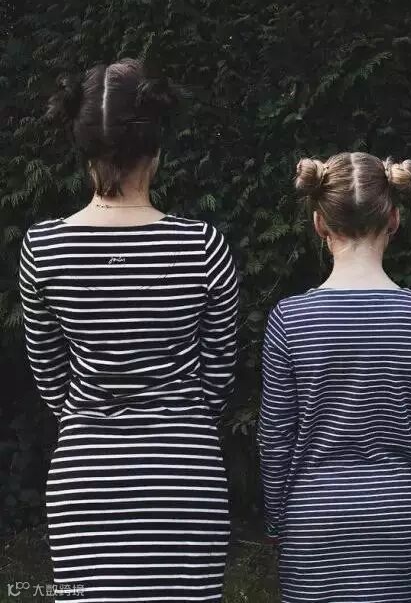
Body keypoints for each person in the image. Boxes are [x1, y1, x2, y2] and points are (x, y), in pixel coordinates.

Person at [18, 58, 239, 602]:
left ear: (82, 148)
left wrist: (92, 416)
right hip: (184, 474)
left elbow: (49, 375)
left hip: (86, 476)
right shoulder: (202, 246)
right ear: (156, 149)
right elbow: (219, 375)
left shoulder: (43, 249)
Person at [258, 152, 411, 603]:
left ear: (319, 223)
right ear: (394, 218)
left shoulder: (290, 319)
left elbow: (276, 437)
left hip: (314, 516)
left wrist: (275, 521)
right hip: (401, 513)